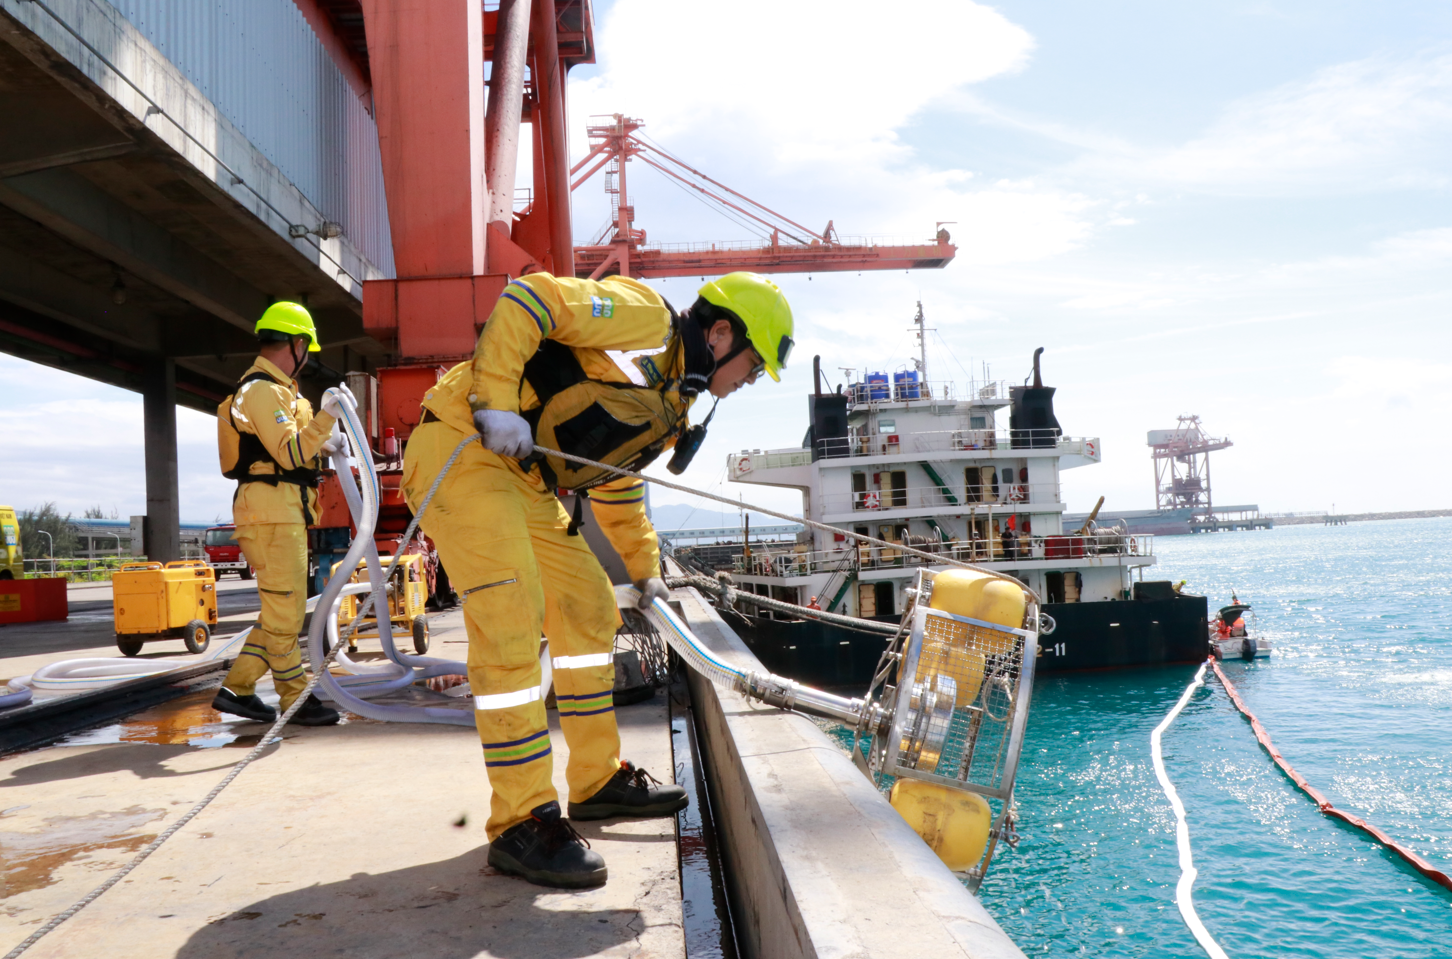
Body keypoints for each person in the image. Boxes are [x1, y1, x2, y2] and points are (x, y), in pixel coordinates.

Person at [403, 271, 793, 889]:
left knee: (587, 603)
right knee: (512, 618)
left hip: (521, 476)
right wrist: (498, 402)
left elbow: (613, 479)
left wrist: (645, 572)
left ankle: (595, 779)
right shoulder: (645, 320)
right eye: (750, 367)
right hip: (464, 444)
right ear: (721, 334)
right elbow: (528, 298)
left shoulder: (671, 397)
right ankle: (520, 821)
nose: (747, 383)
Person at [211, 302, 348, 728]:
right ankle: (294, 698)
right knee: (286, 613)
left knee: (279, 611)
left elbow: (297, 445)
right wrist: (328, 417)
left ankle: (238, 689)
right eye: (307, 347)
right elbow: (289, 452)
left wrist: (325, 438)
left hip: (279, 511)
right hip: (271, 513)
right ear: (297, 343)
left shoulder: (279, 390)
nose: (307, 355)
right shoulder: (261, 390)